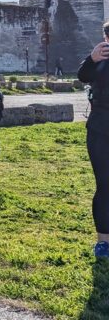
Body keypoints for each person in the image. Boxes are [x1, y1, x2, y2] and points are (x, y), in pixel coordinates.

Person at [81, 23, 109, 258]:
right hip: (101, 129)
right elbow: (82, 76)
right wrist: (92, 58)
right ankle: (104, 241)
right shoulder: (99, 60)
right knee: (104, 185)